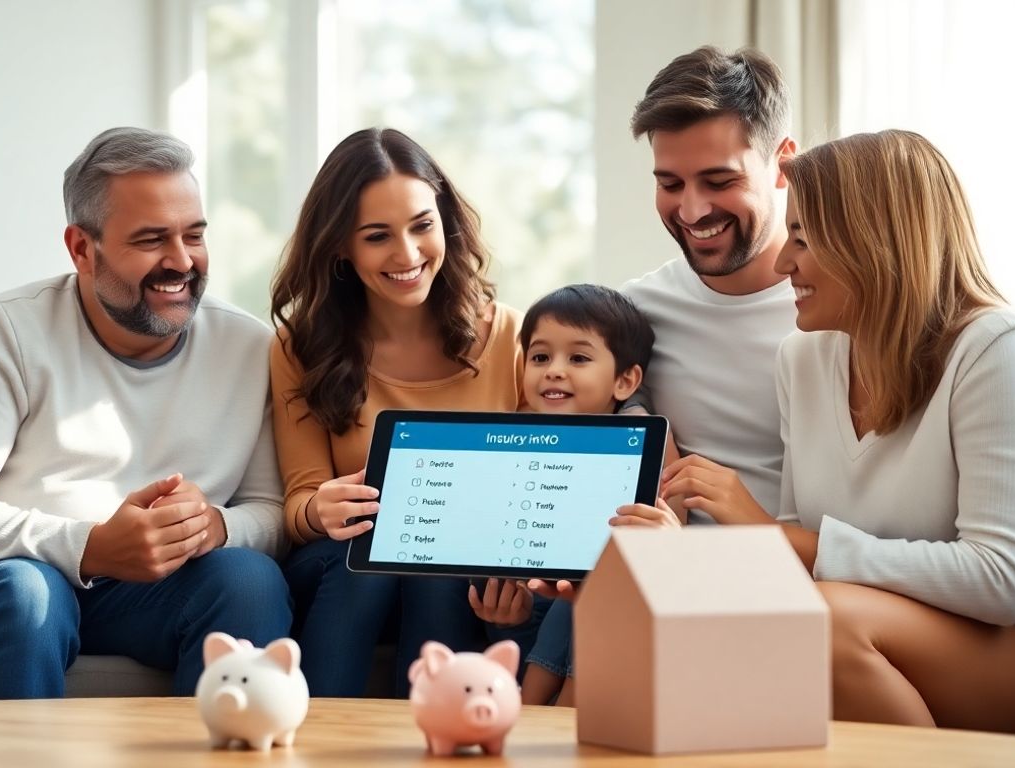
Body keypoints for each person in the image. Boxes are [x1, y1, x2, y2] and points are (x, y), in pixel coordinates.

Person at [0, 127, 291, 699]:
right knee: (29, 593)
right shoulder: (4, 331)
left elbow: (271, 510)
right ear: (82, 248)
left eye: (194, 235)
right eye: (152, 239)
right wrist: (90, 545)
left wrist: (218, 526)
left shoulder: (248, 349)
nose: (181, 261)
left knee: (248, 581)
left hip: (129, 593)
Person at [659, 129, 1015, 734]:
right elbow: (796, 549)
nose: (782, 264)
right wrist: (662, 564)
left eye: (802, 239)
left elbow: (1000, 581)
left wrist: (776, 536)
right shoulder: (801, 361)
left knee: (821, 618)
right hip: (867, 638)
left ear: (874, 242)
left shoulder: (996, 350)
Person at [269, 127, 523, 697]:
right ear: (341, 246)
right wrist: (321, 511)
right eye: (377, 236)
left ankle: (439, 738)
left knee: (437, 566)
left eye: (421, 226)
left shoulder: (510, 335)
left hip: (460, 572)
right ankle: (321, 743)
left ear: (444, 221)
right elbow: (299, 502)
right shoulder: (300, 347)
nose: (407, 255)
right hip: (347, 568)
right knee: (377, 549)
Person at [468, 284, 682, 707]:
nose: (554, 370)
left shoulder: (643, 433)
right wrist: (512, 609)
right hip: (534, 608)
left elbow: (671, 528)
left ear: (625, 381)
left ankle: (543, 706)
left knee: (594, 583)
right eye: (540, 357)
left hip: (604, 605)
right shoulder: (518, 436)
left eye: (578, 358)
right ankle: (531, 707)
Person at [620, 46, 799, 520]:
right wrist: (635, 420)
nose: (692, 211)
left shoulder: (838, 312)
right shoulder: (635, 313)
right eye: (670, 184)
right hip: (668, 577)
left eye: (719, 181)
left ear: (783, 164)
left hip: (800, 579)